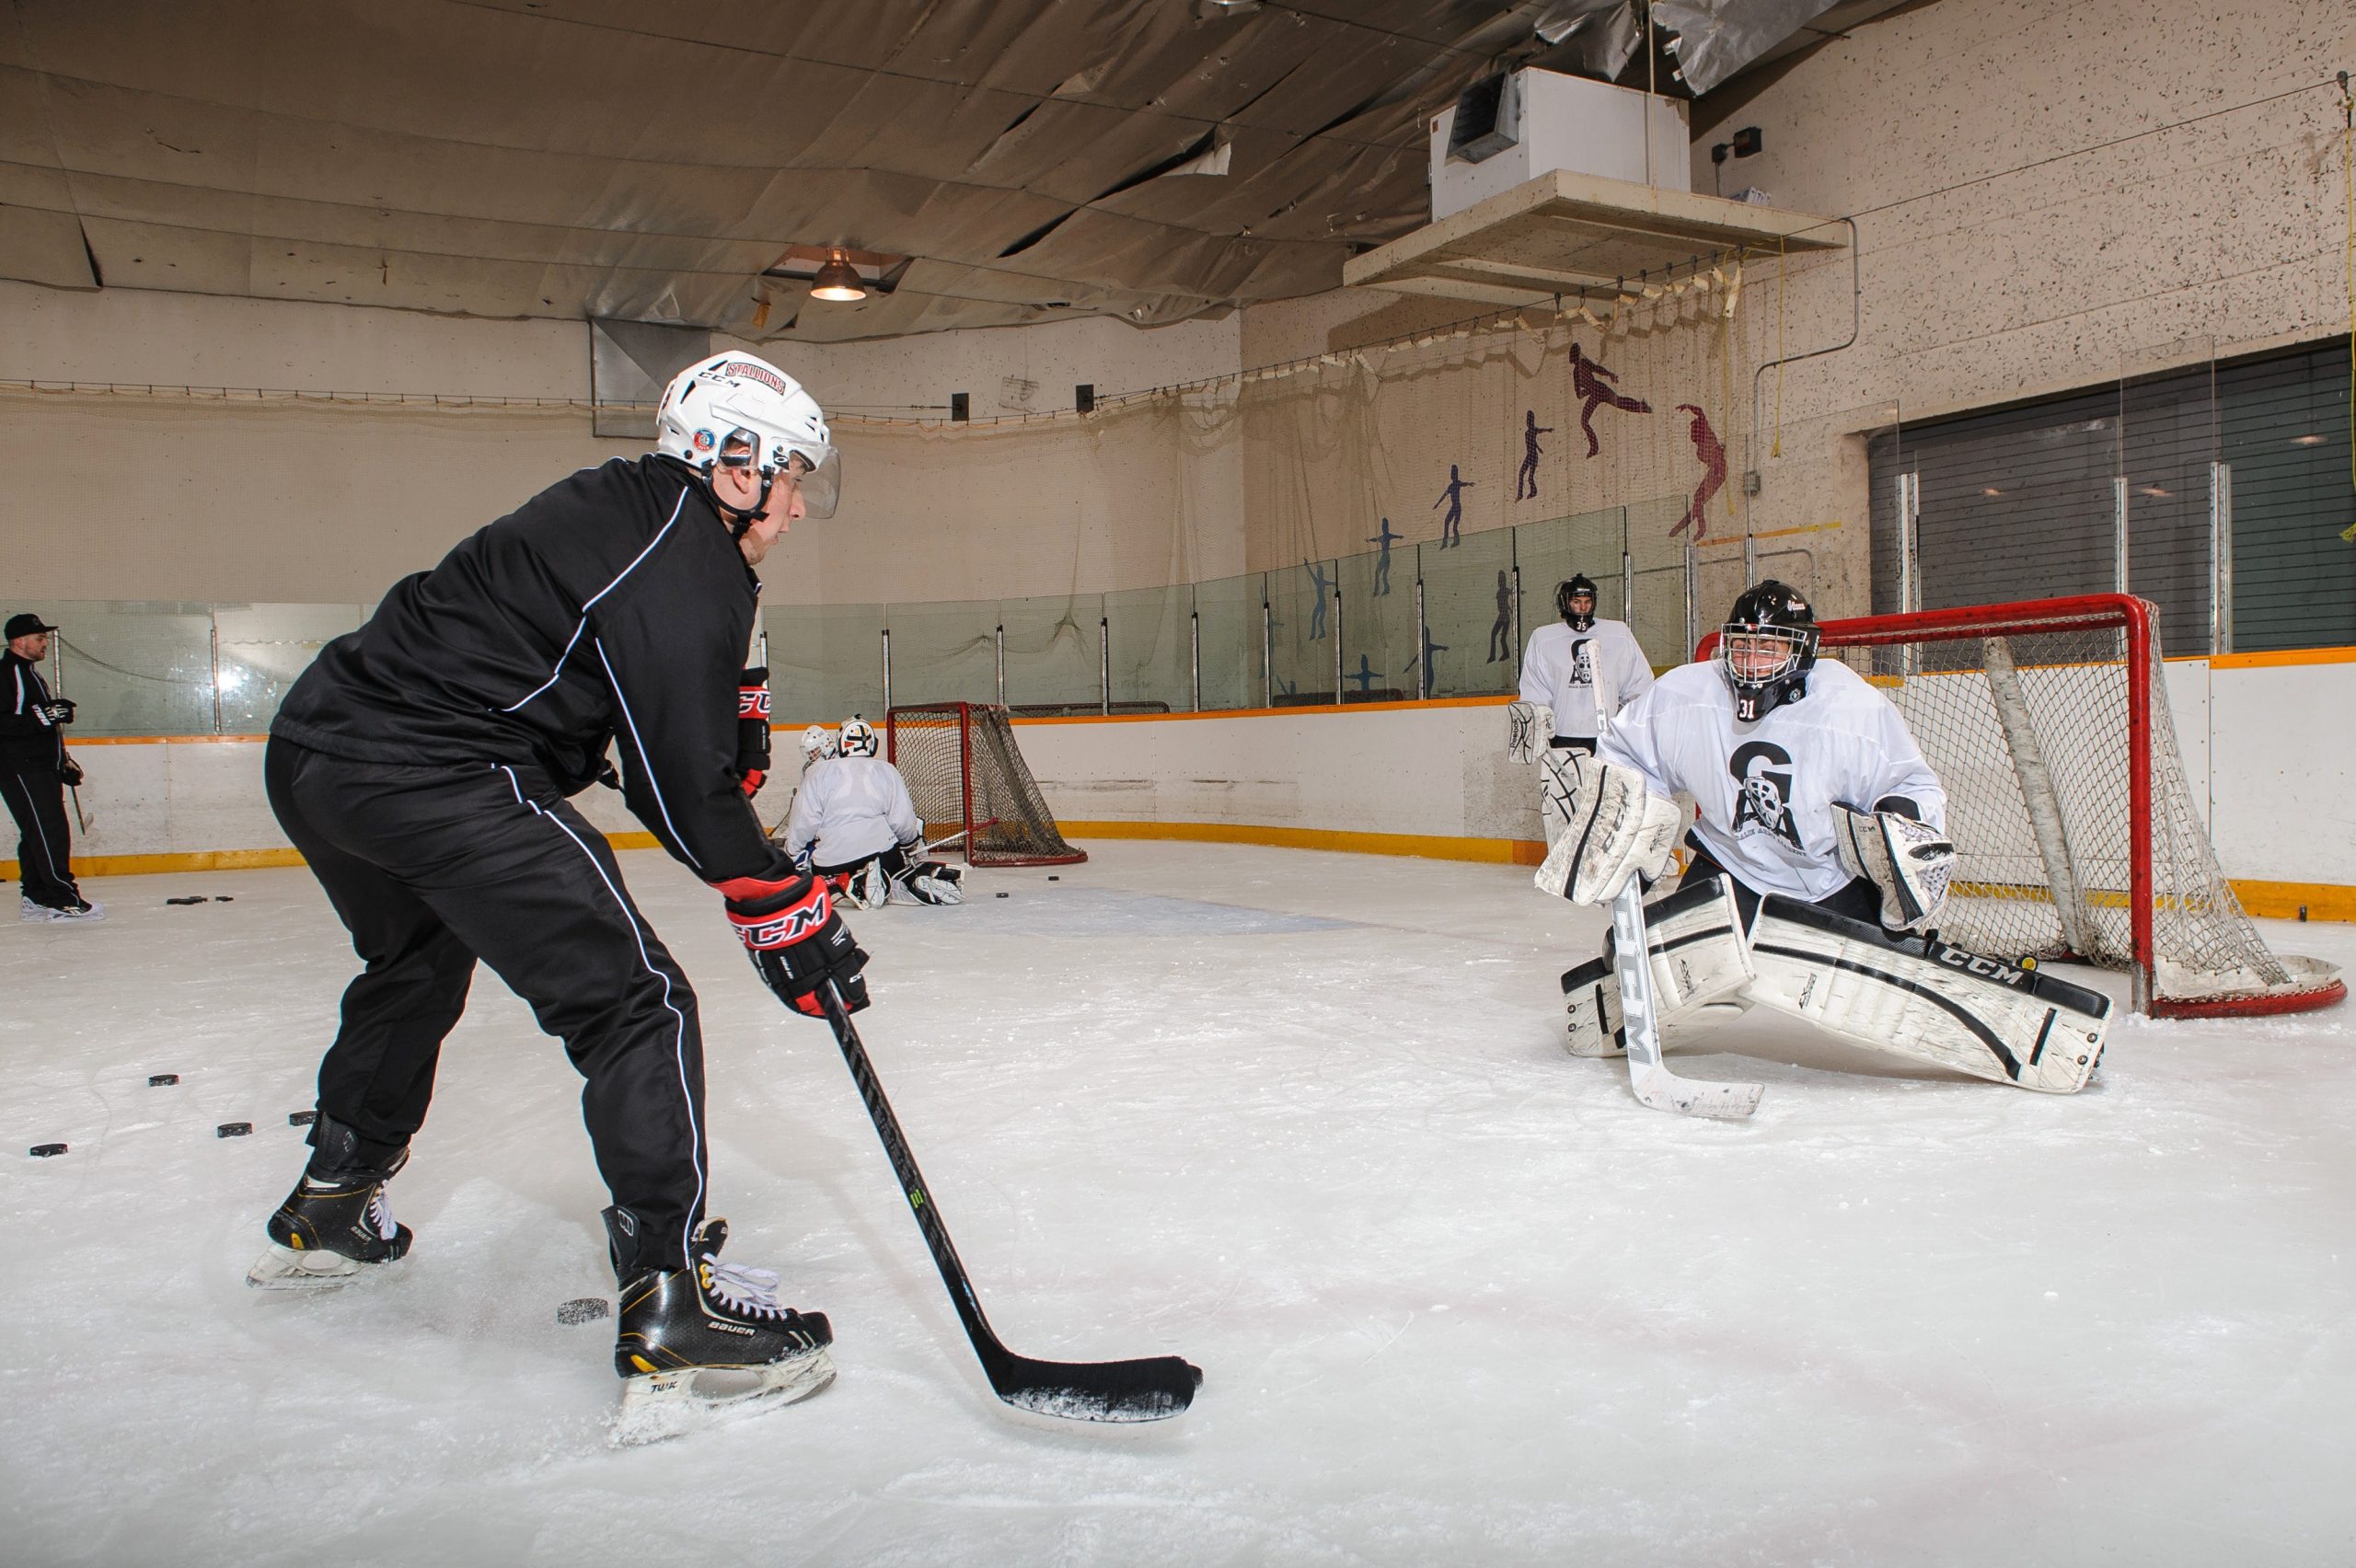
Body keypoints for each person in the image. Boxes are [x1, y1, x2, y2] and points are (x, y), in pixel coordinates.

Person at [248, 353, 872, 1431]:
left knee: (415, 959)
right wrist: (780, 902)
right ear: (735, 466)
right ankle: (672, 1310)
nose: (799, 502)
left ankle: (334, 1200)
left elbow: (598, 699)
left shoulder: (616, 503)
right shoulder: (685, 555)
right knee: (638, 1003)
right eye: (791, 475)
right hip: (435, 771)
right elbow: (683, 791)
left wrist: (715, 734)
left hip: (318, 752)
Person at [1536, 581, 2109, 1093]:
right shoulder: (1686, 694)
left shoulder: (1848, 706)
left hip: (1822, 880)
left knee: (1898, 975)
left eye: (1771, 648)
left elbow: (1910, 781)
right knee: (1633, 955)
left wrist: (1898, 830)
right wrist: (1631, 818)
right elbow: (1627, 752)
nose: (1752, 662)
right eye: (1742, 645)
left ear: (1801, 651)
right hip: (1728, 867)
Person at [783, 718, 964, 910]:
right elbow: (902, 821)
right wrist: (910, 846)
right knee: (895, 866)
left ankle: (845, 884)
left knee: (819, 877)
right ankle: (900, 881)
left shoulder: (815, 773)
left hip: (832, 861)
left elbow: (803, 824)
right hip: (881, 856)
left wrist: (791, 852)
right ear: (872, 745)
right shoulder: (887, 770)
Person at [2, 613, 100, 922]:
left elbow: (38, 724)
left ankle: (37, 896)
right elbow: (7, 722)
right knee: (50, 831)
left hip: (39, 766)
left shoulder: (29, 673)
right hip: (21, 767)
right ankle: (62, 899)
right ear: (20, 641)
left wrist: (62, 761)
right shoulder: (8, 673)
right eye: (39, 638)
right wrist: (45, 716)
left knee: (37, 833)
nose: (45, 643)